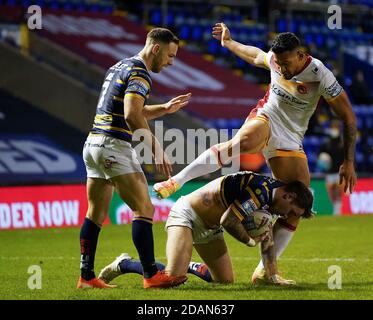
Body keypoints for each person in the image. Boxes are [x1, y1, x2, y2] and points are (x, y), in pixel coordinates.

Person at [153, 23, 357, 284]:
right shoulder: (275, 60)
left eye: (286, 63)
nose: (281, 68)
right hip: (267, 117)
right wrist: (228, 43)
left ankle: (265, 272)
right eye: (278, 63)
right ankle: (176, 181)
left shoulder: (321, 74)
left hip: (291, 138)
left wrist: (348, 161)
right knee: (243, 142)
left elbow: (349, 118)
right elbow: (254, 55)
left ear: (301, 56)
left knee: (299, 203)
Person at [77, 28, 192, 289]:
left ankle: (86, 277)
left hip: (94, 144)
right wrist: (155, 146)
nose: (170, 62)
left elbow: (128, 110)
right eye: (170, 56)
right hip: (114, 146)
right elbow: (131, 115)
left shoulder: (119, 66)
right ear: (156, 48)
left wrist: (163, 108)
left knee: (95, 213)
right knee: (145, 209)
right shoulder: (140, 72)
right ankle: (151, 275)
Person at [99, 171, 314, 287]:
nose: (287, 216)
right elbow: (228, 221)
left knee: (225, 281)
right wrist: (249, 241)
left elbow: (268, 238)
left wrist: (272, 274)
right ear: (289, 196)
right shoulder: (261, 192)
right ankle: (123, 263)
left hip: (210, 228)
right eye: (291, 210)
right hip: (188, 215)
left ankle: (192, 266)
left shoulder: (274, 201)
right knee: (171, 278)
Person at [317, 119, 345, 215]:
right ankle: (336, 209)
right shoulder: (326, 143)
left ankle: (337, 212)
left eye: (336, 128)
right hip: (329, 172)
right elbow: (320, 157)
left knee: (337, 192)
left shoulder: (343, 143)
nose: (334, 130)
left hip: (339, 173)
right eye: (333, 128)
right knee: (331, 194)